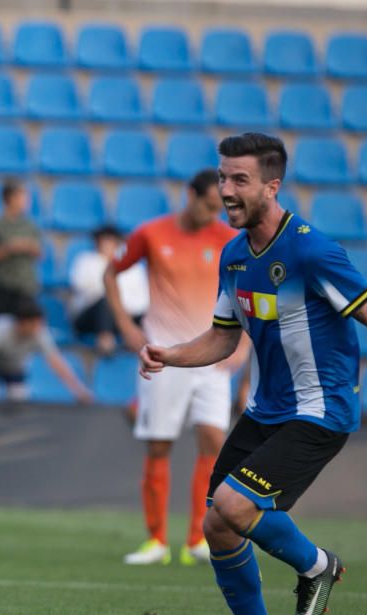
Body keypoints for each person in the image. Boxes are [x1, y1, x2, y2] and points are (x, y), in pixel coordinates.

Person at [139, 132, 367, 615]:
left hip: (320, 411)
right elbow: (222, 338)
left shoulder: (311, 250)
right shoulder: (235, 256)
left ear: (271, 186)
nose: (226, 190)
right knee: (217, 524)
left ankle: (317, 565)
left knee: (236, 506)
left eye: (240, 180)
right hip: (266, 412)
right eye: (222, 178)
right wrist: (169, 354)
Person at [104, 169, 248, 567]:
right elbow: (111, 272)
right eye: (208, 205)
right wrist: (125, 327)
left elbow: (250, 293)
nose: (213, 214)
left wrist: (244, 345)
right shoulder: (152, 234)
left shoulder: (227, 239)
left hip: (211, 358)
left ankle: (199, 538)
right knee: (159, 444)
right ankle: (156, 540)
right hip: (164, 357)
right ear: (190, 196)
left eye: (218, 208)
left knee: (214, 441)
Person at [0, 298, 93, 406]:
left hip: (15, 369)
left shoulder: (40, 332)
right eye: (33, 323)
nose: (37, 327)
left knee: (19, 398)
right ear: (20, 323)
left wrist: (79, 391)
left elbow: (57, 363)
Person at [69, 225, 148, 355]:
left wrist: (123, 310)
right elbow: (81, 287)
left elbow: (143, 298)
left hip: (125, 316)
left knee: (149, 314)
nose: (105, 245)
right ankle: (105, 340)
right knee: (107, 301)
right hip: (90, 318)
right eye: (102, 241)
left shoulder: (133, 267)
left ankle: (138, 341)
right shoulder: (86, 261)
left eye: (109, 241)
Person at [0, 179, 42, 316]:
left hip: (26, 286)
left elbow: (40, 252)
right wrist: (9, 248)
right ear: (9, 198)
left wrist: (27, 246)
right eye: (22, 196)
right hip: (3, 287)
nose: (26, 201)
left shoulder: (30, 225)